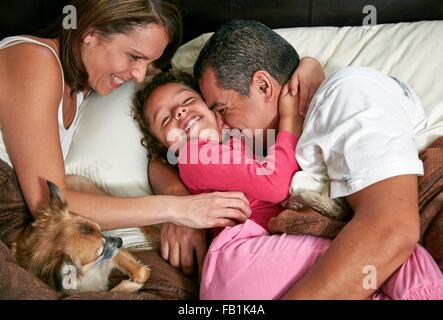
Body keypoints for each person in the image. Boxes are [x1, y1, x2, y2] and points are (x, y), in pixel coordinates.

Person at [0, 0, 324, 275]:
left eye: (148, 62)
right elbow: (51, 204)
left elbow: (164, 134)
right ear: (91, 34)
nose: (139, 74)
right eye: (134, 57)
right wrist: (178, 209)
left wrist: (307, 64)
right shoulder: (35, 61)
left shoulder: (87, 77)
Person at [156, 19, 443, 299]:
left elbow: (391, 230)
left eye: (221, 108)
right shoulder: (262, 140)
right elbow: (161, 158)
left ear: (264, 86)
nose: (220, 123)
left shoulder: (348, 95)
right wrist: (176, 205)